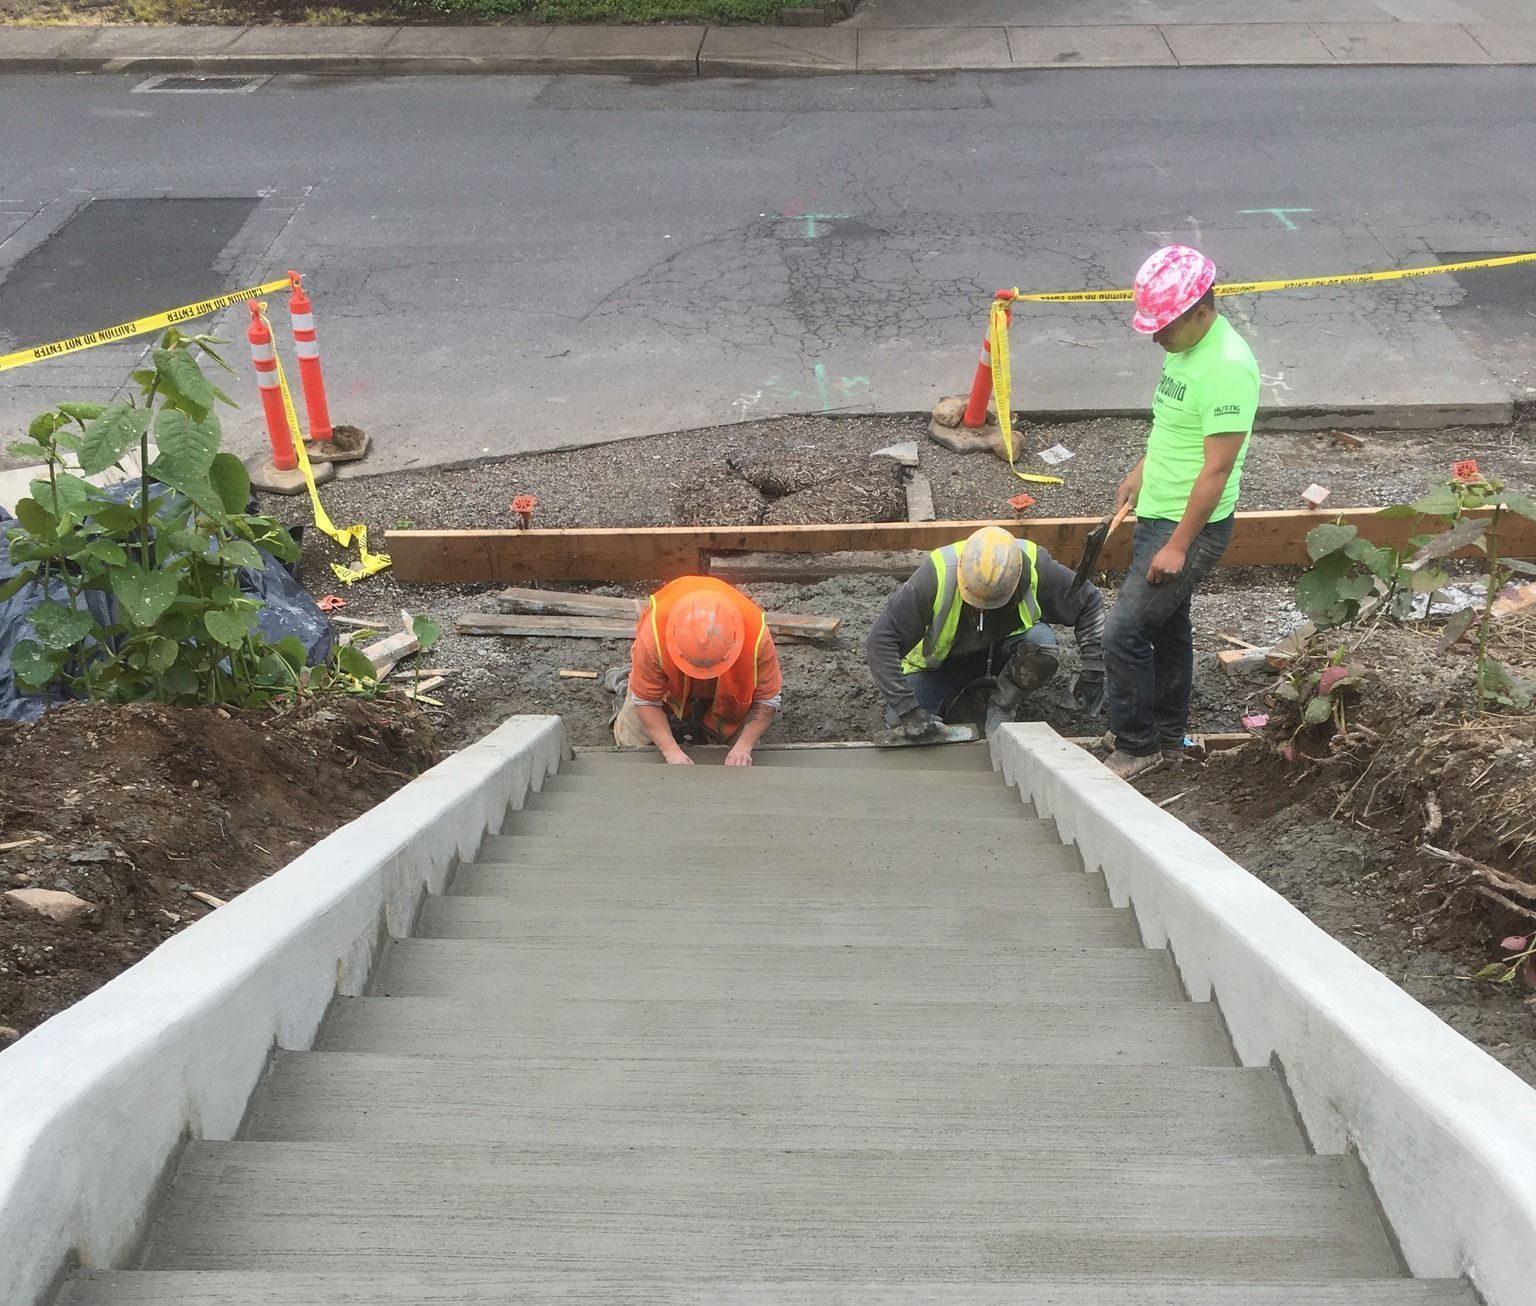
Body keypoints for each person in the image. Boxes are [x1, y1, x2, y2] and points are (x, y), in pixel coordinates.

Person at [1103, 245, 1261, 780]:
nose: (1156, 337)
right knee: (1168, 630)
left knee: (1121, 632)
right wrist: (1140, 472)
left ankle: (1136, 745)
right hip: (1159, 510)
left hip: (1186, 528)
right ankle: (1167, 738)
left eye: (1164, 325)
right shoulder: (1185, 347)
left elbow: (1216, 469)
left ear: (1200, 310)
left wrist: (1178, 545)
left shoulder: (1228, 369)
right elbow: (1173, 427)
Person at [866, 525, 1106, 741]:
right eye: (975, 601)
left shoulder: (1036, 566)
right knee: (901, 723)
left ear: (1015, 583)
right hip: (943, 664)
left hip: (1007, 654)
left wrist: (1094, 669)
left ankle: (1003, 705)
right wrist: (908, 710)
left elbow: (1089, 601)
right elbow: (881, 641)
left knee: (1041, 649)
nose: (981, 609)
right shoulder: (936, 575)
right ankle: (952, 693)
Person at [611, 575, 783, 766]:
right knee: (632, 744)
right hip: (668, 675)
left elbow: (767, 699)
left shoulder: (756, 638)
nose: (702, 674)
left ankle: (708, 708)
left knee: (737, 752)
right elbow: (646, 701)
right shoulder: (653, 639)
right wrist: (671, 752)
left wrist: (743, 747)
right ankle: (629, 682)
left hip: (729, 684)